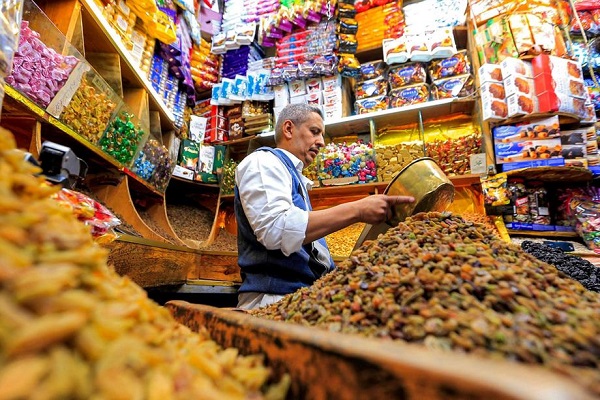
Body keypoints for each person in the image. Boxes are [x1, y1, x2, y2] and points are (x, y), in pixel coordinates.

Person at [234, 103, 414, 310]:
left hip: (298, 298)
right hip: (272, 300)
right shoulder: (263, 162)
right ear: (289, 129)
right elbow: (277, 229)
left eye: (321, 135)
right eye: (314, 132)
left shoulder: (294, 175)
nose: (321, 142)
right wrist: (358, 210)